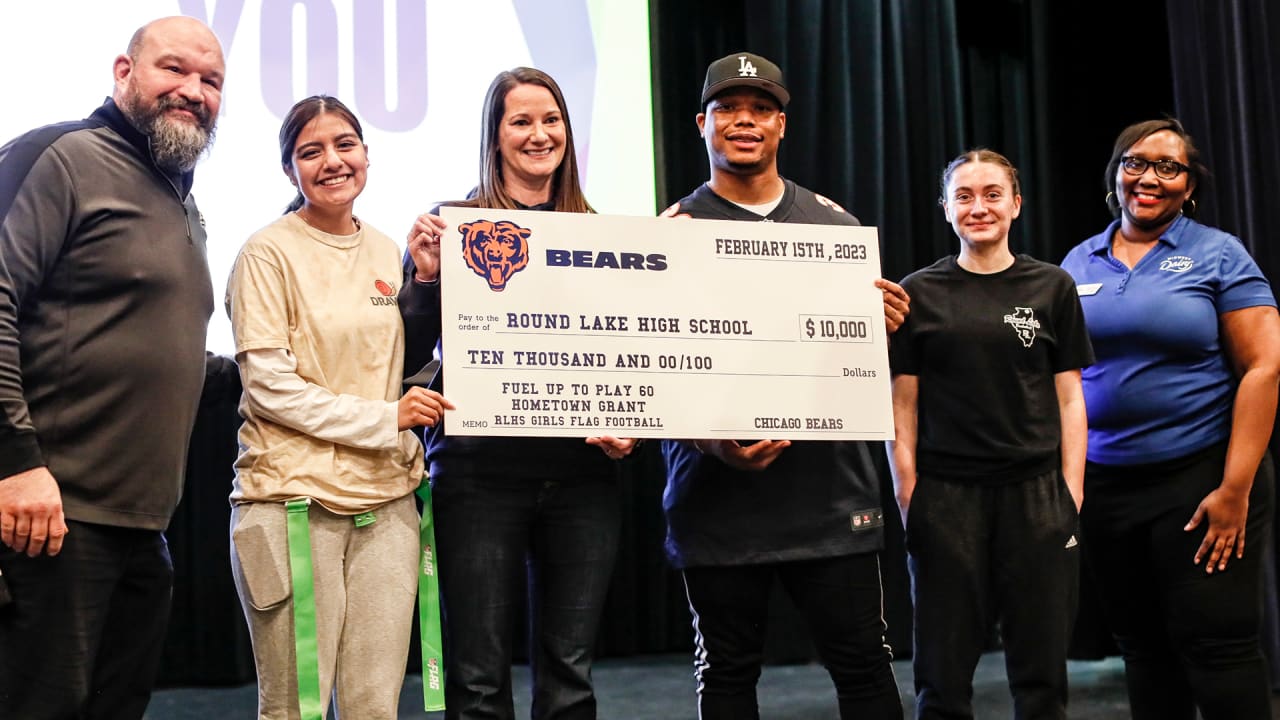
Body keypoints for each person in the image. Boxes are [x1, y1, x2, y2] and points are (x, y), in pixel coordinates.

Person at [658, 52, 908, 720]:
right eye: (729, 109)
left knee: (863, 667)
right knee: (729, 674)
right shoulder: (667, 235)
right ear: (702, 125)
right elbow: (653, 374)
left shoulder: (837, 228)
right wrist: (713, 443)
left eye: (761, 108)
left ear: (782, 124)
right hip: (717, 501)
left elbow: (851, 365)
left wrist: (877, 329)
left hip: (829, 499)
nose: (745, 121)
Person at [0, 16, 229, 719]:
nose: (193, 90)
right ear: (124, 72)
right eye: (174, 70)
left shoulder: (182, 201)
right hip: (51, 516)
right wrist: (14, 462)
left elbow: (174, 352)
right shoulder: (60, 155)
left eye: (211, 80)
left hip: (142, 529)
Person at [400, 67, 636, 720]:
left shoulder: (604, 234)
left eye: (551, 119)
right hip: (479, 476)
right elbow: (409, 358)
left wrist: (635, 419)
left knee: (571, 679)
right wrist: (423, 279)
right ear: (495, 136)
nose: (539, 134)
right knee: (477, 683)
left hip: (583, 477)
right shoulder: (455, 230)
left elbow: (630, 355)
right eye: (521, 121)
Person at [225, 95, 451, 719]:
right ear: (289, 169)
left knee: (374, 709)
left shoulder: (388, 252)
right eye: (311, 151)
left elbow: (405, 371)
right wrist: (387, 419)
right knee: (294, 709)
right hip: (292, 503)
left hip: (388, 505)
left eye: (345, 144)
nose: (332, 161)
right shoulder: (265, 253)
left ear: (367, 154)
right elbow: (270, 387)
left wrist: (427, 283)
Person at [1060, 118, 1280, 720]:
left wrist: (1235, 489)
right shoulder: (1080, 260)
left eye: (1168, 166)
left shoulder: (1218, 253)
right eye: (1135, 163)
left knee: (1219, 648)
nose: (1149, 177)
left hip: (1202, 477)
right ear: (1115, 174)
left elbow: (1263, 368)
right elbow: (1059, 377)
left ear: (1189, 185)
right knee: (1142, 650)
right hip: (1107, 486)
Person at [887, 150, 1093, 719]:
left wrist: (1070, 492)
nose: (979, 207)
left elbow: (1071, 398)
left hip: (1037, 495)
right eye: (964, 196)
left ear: (1016, 204)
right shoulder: (917, 293)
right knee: (942, 680)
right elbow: (902, 403)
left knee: (1042, 678)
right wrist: (910, 492)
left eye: (992, 194)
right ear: (946, 209)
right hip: (947, 497)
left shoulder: (1052, 286)